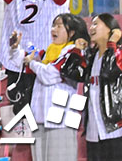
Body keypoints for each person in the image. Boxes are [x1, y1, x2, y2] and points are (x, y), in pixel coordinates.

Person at [26, 13, 88, 161]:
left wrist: (32, 63)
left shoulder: (73, 52)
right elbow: (24, 61)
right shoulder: (48, 52)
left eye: (59, 26)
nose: (54, 29)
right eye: (53, 26)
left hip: (61, 118)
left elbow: (49, 75)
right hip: (40, 117)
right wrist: (15, 49)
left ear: (71, 32)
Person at [83, 13, 122, 159]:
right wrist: (77, 50)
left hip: (114, 128)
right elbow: (72, 73)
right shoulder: (91, 56)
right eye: (91, 24)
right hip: (93, 129)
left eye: (96, 24)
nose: (91, 28)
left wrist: (112, 44)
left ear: (110, 29)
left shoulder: (119, 53)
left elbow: (108, 72)